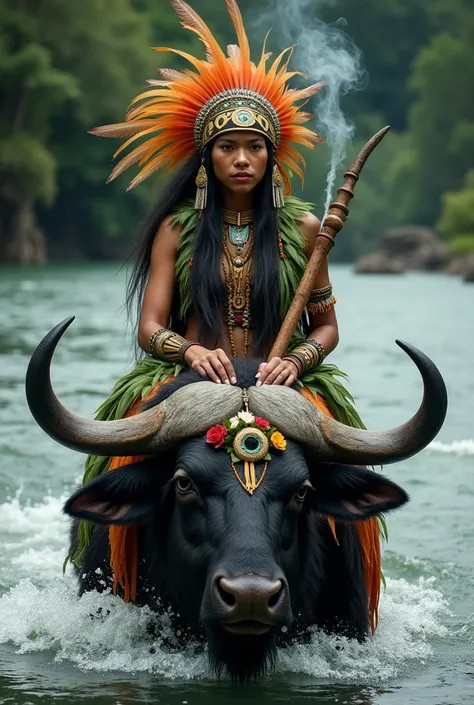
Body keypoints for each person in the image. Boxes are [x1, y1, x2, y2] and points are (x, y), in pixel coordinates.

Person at [70, 0, 381, 632]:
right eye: (229, 147)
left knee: (347, 472)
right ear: (208, 157)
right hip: (192, 383)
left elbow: (327, 328)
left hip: (281, 385)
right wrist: (189, 352)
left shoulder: (304, 227)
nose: (242, 159)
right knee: (118, 455)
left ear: (271, 157)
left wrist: (296, 359)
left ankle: (352, 602)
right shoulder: (175, 231)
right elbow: (150, 326)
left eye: (254, 148)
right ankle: (106, 582)